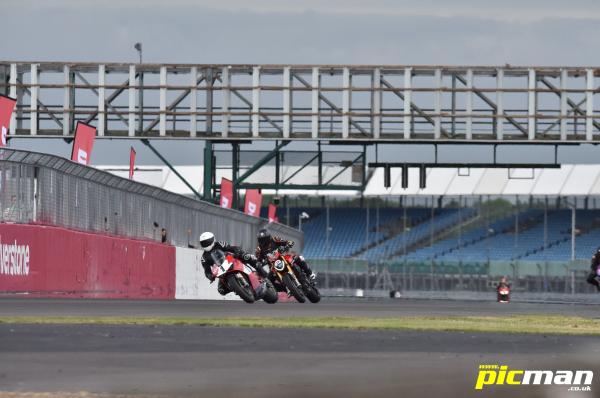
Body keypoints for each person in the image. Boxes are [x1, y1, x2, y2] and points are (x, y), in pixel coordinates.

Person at [198, 231, 262, 296]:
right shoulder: (204, 257)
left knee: (245, 256)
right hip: (221, 269)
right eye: (203, 243)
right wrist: (210, 276)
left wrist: (236, 251)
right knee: (221, 290)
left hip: (230, 259)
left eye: (207, 242)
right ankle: (237, 288)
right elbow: (206, 270)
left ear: (212, 239)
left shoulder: (220, 244)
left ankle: (258, 267)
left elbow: (230, 248)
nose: (206, 244)